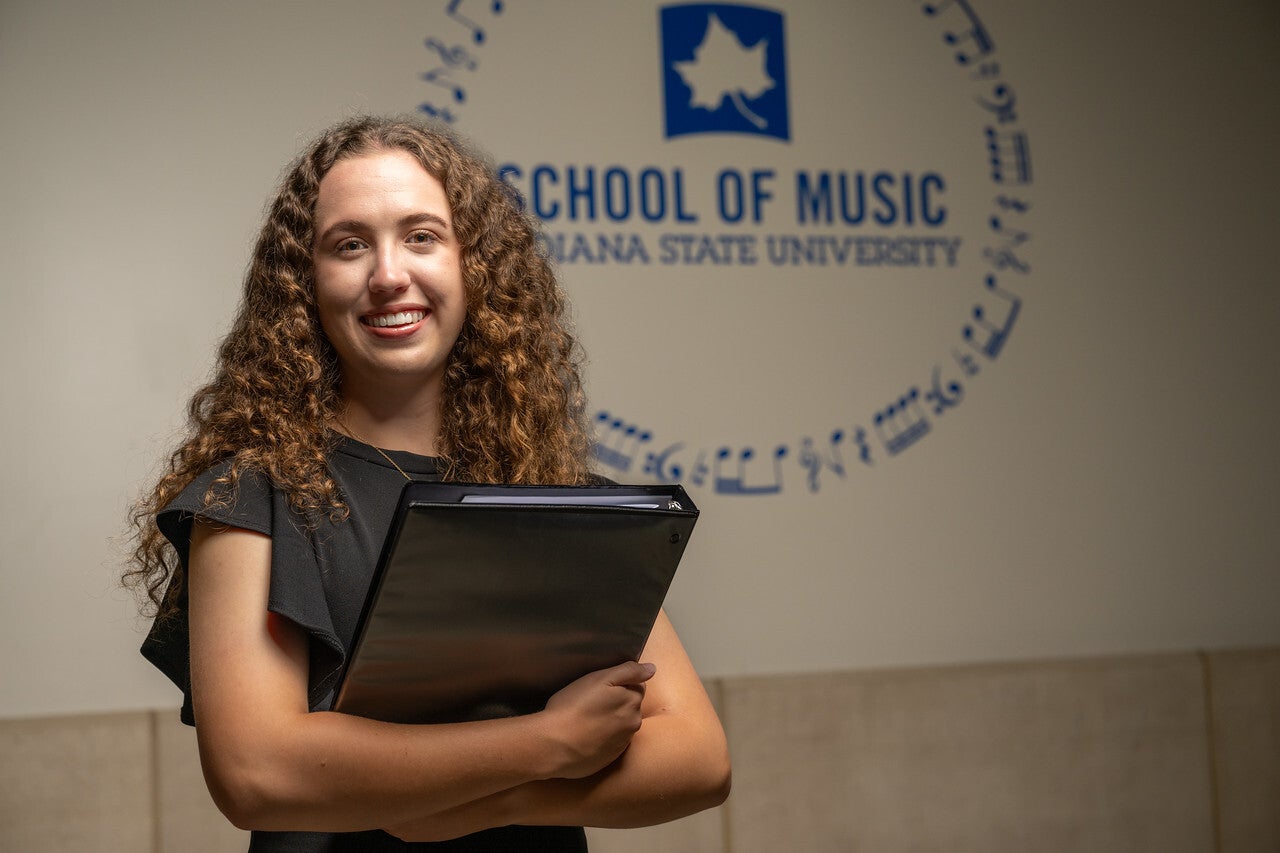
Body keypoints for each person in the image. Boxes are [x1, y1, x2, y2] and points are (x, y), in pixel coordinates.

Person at [124, 116, 730, 851]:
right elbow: (256, 773)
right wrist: (545, 742)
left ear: (472, 264)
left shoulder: (559, 499)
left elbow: (698, 757)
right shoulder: (251, 499)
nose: (388, 274)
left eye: (421, 236)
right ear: (304, 284)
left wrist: (469, 806)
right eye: (350, 245)